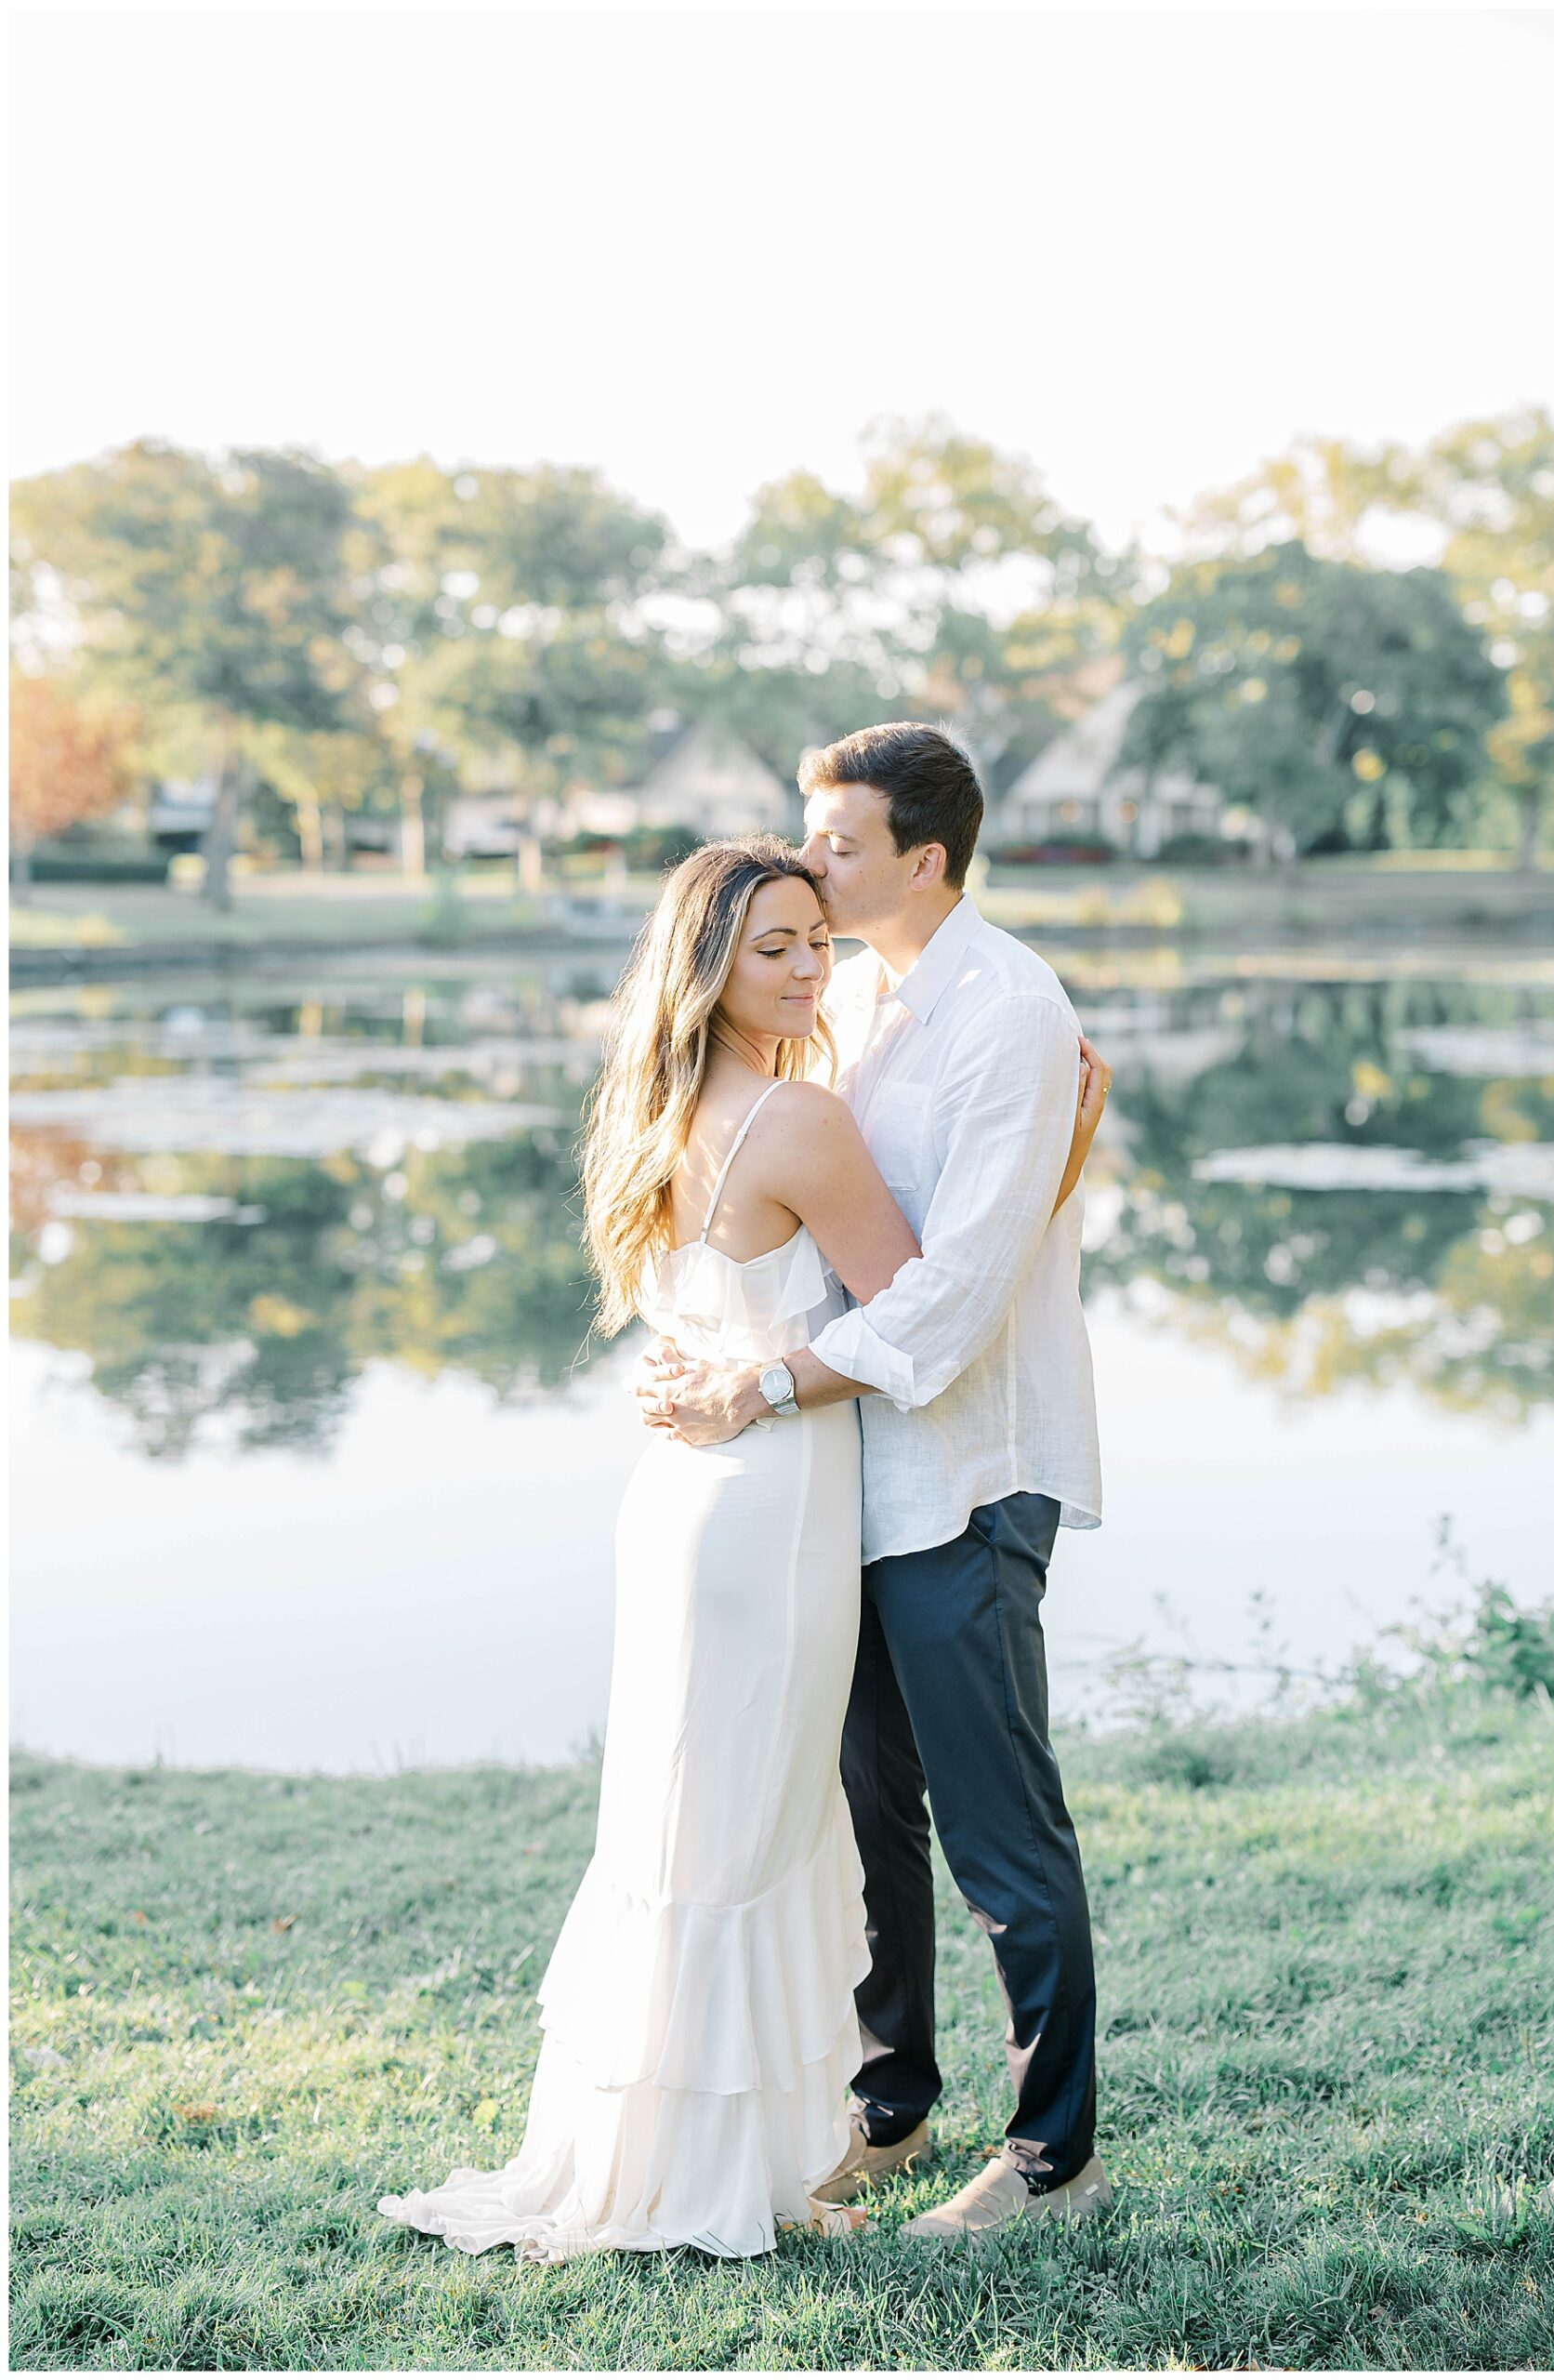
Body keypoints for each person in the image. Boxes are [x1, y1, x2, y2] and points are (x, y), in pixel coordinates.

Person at [377, 825, 1107, 2263]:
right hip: (771, 1501)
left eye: (813, 943)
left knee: (694, 1820)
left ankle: (717, 2137)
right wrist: (1062, 1151)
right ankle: (729, 2161)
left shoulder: (650, 1111)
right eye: (771, 947)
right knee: (755, 1832)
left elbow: (720, 1313)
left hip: (683, 1501)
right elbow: (929, 1310)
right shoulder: (799, 1119)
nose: (804, 969)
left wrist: (728, 1376)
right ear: (705, 965)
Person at [639, 723, 1111, 2241]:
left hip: (963, 1477)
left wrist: (757, 1383)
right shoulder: (855, 995)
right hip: (838, 1485)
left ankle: (1051, 2153)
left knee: (997, 1825)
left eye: (836, 845)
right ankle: (889, 2102)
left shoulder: (1008, 1012)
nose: (810, 866)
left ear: (925, 858)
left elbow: (957, 1297)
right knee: (867, 1815)